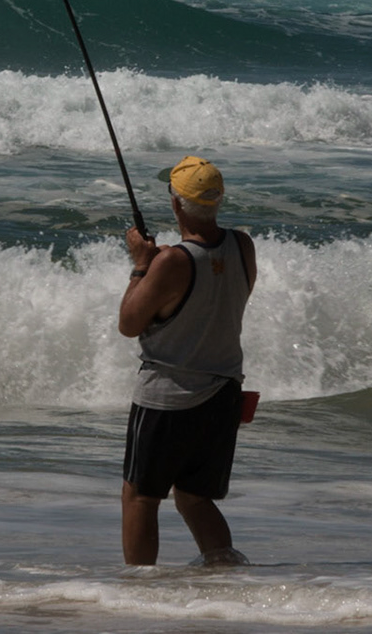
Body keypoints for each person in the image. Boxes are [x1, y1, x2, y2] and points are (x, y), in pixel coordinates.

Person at [118, 155, 257, 566]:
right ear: (216, 201)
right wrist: (159, 264)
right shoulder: (242, 245)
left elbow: (129, 323)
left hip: (169, 397)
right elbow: (210, 285)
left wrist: (142, 266)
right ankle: (225, 574)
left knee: (140, 496)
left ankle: (138, 592)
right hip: (223, 392)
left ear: (176, 204)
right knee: (194, 497)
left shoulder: (172, 262)